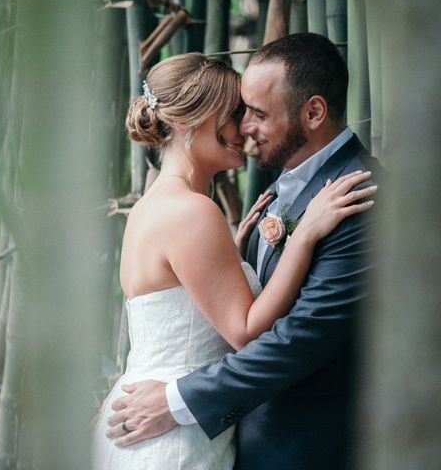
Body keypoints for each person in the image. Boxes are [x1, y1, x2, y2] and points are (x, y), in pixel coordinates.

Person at [94, 38, 378, 469]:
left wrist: (177, 400)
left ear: (314, 112)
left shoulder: (355, 195)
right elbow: (244, 328)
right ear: (194, 121)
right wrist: (296, 240)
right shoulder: (198, 210)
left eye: (255, 113)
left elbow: (300, 337)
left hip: (272, 440)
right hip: (174, 428)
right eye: (237, 113)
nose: (243, 127)